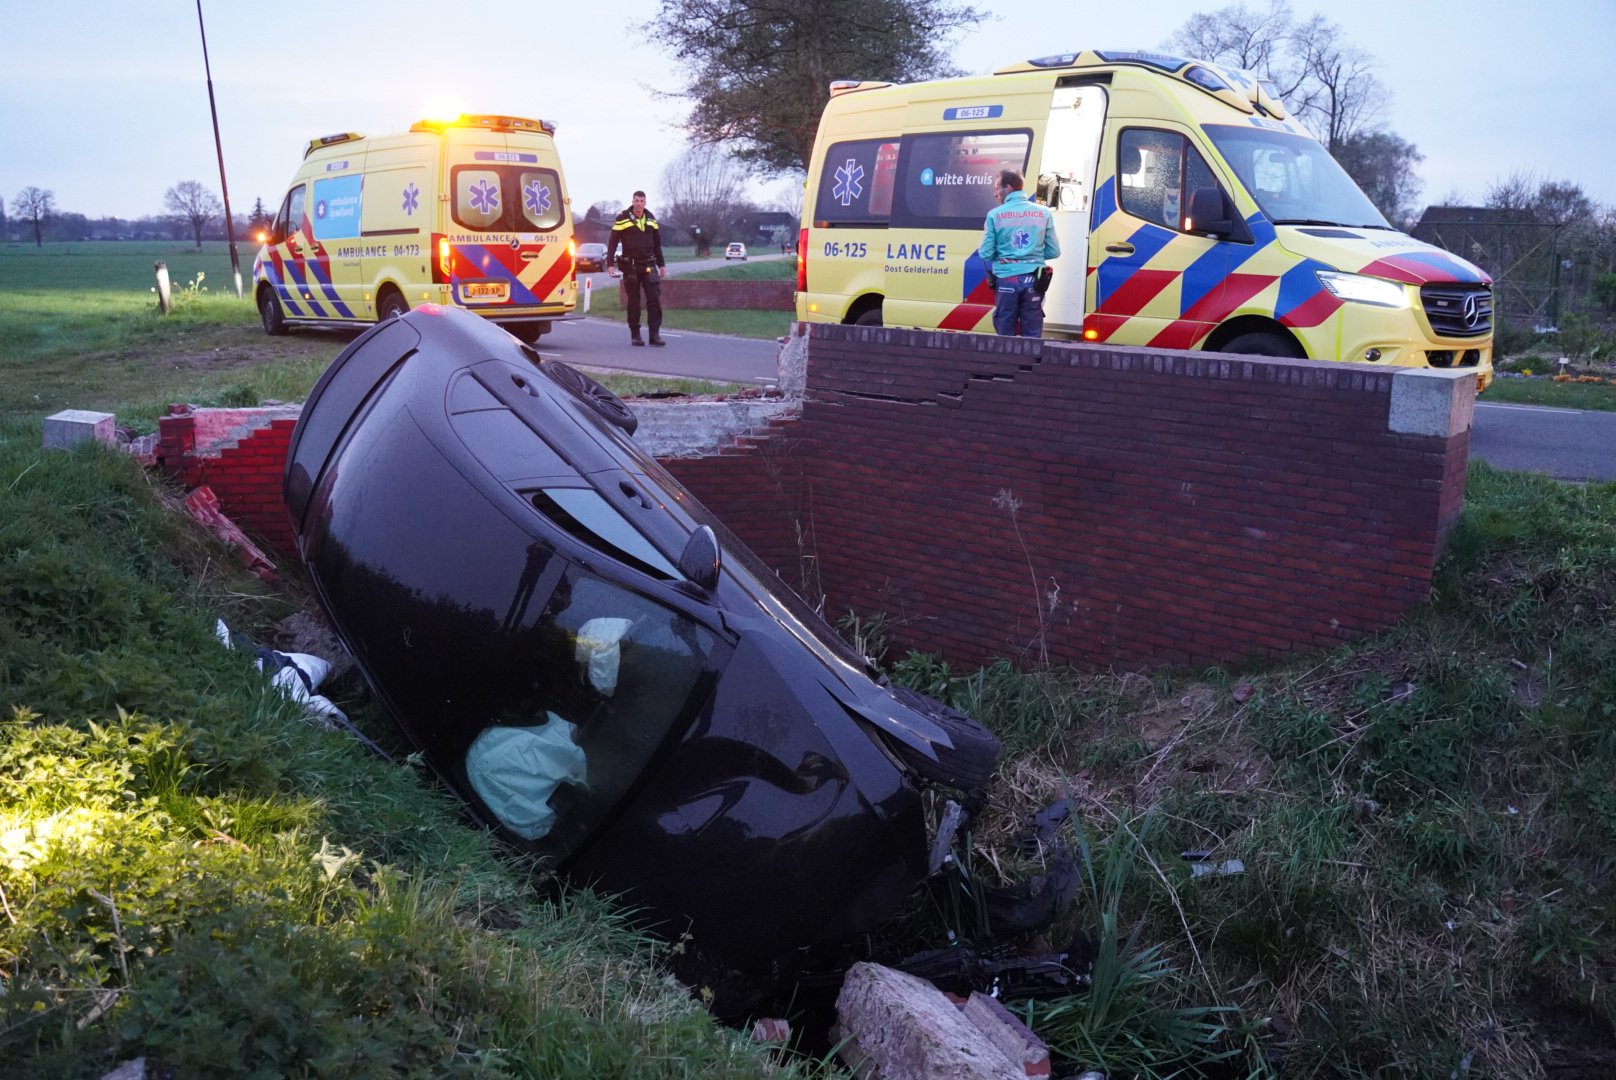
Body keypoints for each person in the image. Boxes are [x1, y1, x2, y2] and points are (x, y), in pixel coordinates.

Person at [978, 169, 1060, 337]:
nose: (995, 194)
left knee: (1005, 334)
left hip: (1006, 280)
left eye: (996, 189)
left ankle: (1007, 355)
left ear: (1008, 188)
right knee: (1032, 333)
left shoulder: (994, 215)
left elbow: (985, 254)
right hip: (1034, 281)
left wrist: (1007, 258)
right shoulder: (1044, 213)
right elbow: (1054, 251)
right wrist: (1031, 256)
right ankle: (1030, 356)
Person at [606, 190, 667, 346]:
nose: (639, 204)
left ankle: (654, 335)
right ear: (632, 202)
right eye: (636, 201)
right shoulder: (622, 218)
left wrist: (661, 265)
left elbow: (657, 244)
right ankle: (635, 335)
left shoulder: (651, 218)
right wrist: (610, 264)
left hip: (649, 265)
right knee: (634, 301)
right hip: (631, 266)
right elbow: (612, 242)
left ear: (645, 202)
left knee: (654, 300)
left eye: (641, 201)